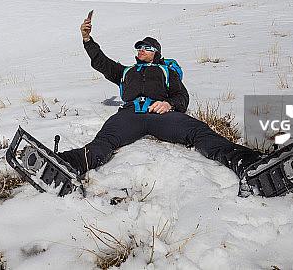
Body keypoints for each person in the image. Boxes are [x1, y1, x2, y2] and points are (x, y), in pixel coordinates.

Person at [58, 14, 263, 194]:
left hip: (162, 115)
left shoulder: (166, 71)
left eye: (146, 48)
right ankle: (64, 164)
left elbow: (182, 97)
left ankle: (249, 163)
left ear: (156, 52)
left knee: (200, 132)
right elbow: (101, 61)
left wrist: (168, 104)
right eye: (139, 47)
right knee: (102, 144)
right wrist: (87, 39)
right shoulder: (126, 71)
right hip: (129, 115)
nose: (141, 50)